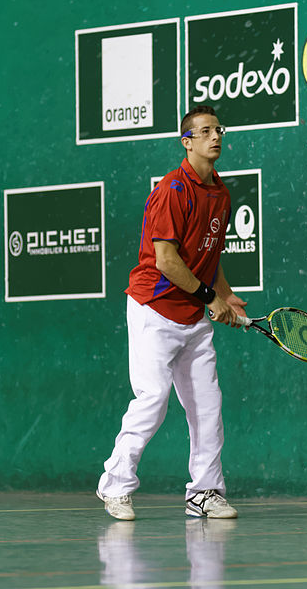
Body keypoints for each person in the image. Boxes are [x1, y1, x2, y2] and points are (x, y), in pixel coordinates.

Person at [97, 105, 247, 520]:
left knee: (208, 406)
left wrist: (226, 294)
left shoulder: (220, 193)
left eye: (218, 129)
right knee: (154, 398)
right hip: (154, 308)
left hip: (193, 316)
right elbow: (166, 260)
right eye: (205, 132)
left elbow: (208, 254)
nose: (215, 136)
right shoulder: (171, 191)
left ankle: (205, 492)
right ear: (187, 142)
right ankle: (115, 485)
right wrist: (208, 298)